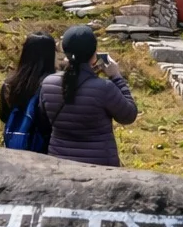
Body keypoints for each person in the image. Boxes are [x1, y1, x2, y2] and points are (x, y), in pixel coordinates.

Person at [40, 25, 138, 166]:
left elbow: (45, 119)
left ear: (65, 52)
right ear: (94, 54)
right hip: (99, 169)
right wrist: (116, 76)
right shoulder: (105, 88)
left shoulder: (48, 83)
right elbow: (129, 115)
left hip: (59, 164)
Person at [0, 32, 57, 152]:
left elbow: (3, 116)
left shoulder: (10, 84)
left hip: (16, 146)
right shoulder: (53, 85)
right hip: (46, 149)